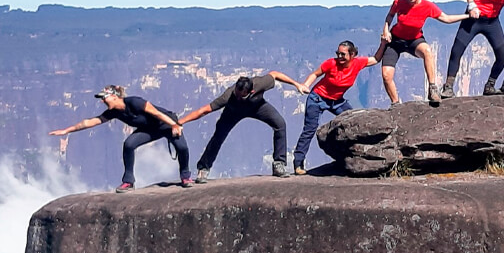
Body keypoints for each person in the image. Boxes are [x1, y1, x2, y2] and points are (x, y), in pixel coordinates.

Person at [49, 85, 191, 192]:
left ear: (114, 96)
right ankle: (128, 181)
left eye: (104, 97)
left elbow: (157, 113)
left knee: (182, 147)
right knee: (129, 144)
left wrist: (174, 125)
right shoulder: (114, 112)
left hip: (166, 123)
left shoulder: (135, 102)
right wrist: (67, 130)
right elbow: (90, 122)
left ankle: (185, 176)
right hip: (149, 130)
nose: (103, 101)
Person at [177, 72, 309, 182]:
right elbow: (204, 110)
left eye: (242, 96)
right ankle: (203, 168)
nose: (238, 97)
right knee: (218, 137)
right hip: (232, 112)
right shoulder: (229, 96)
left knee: (280, 124)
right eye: (236, 94)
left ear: (251, 91)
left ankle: (279, 164)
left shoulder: (259, 83)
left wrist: (297, 84)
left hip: (258, 107)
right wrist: (180, 122)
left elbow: (275, 74)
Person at [293, 40, 386, 175]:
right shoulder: (331, 63)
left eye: (343, 54)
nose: (339, 57)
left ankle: (359, 157)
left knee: (354, 122)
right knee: (310, 129)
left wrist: (383, 43)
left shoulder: (358, 63)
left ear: (352, 54)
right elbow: (315, 74)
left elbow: (376, 59)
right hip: (317, 98)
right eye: (338, 54)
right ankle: (298, 163)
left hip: (337, 101)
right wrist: (305, 85)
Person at [381, 0, 469, 104]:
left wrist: (468, 16)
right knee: (386, 75)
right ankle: (395, 103)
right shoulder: (398, 2)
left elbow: (447, 19)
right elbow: (390, 16)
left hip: (414, 40)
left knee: (427, 51)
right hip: (395, 41)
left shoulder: (427, 6)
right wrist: (386, 30)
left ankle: (433, 88)